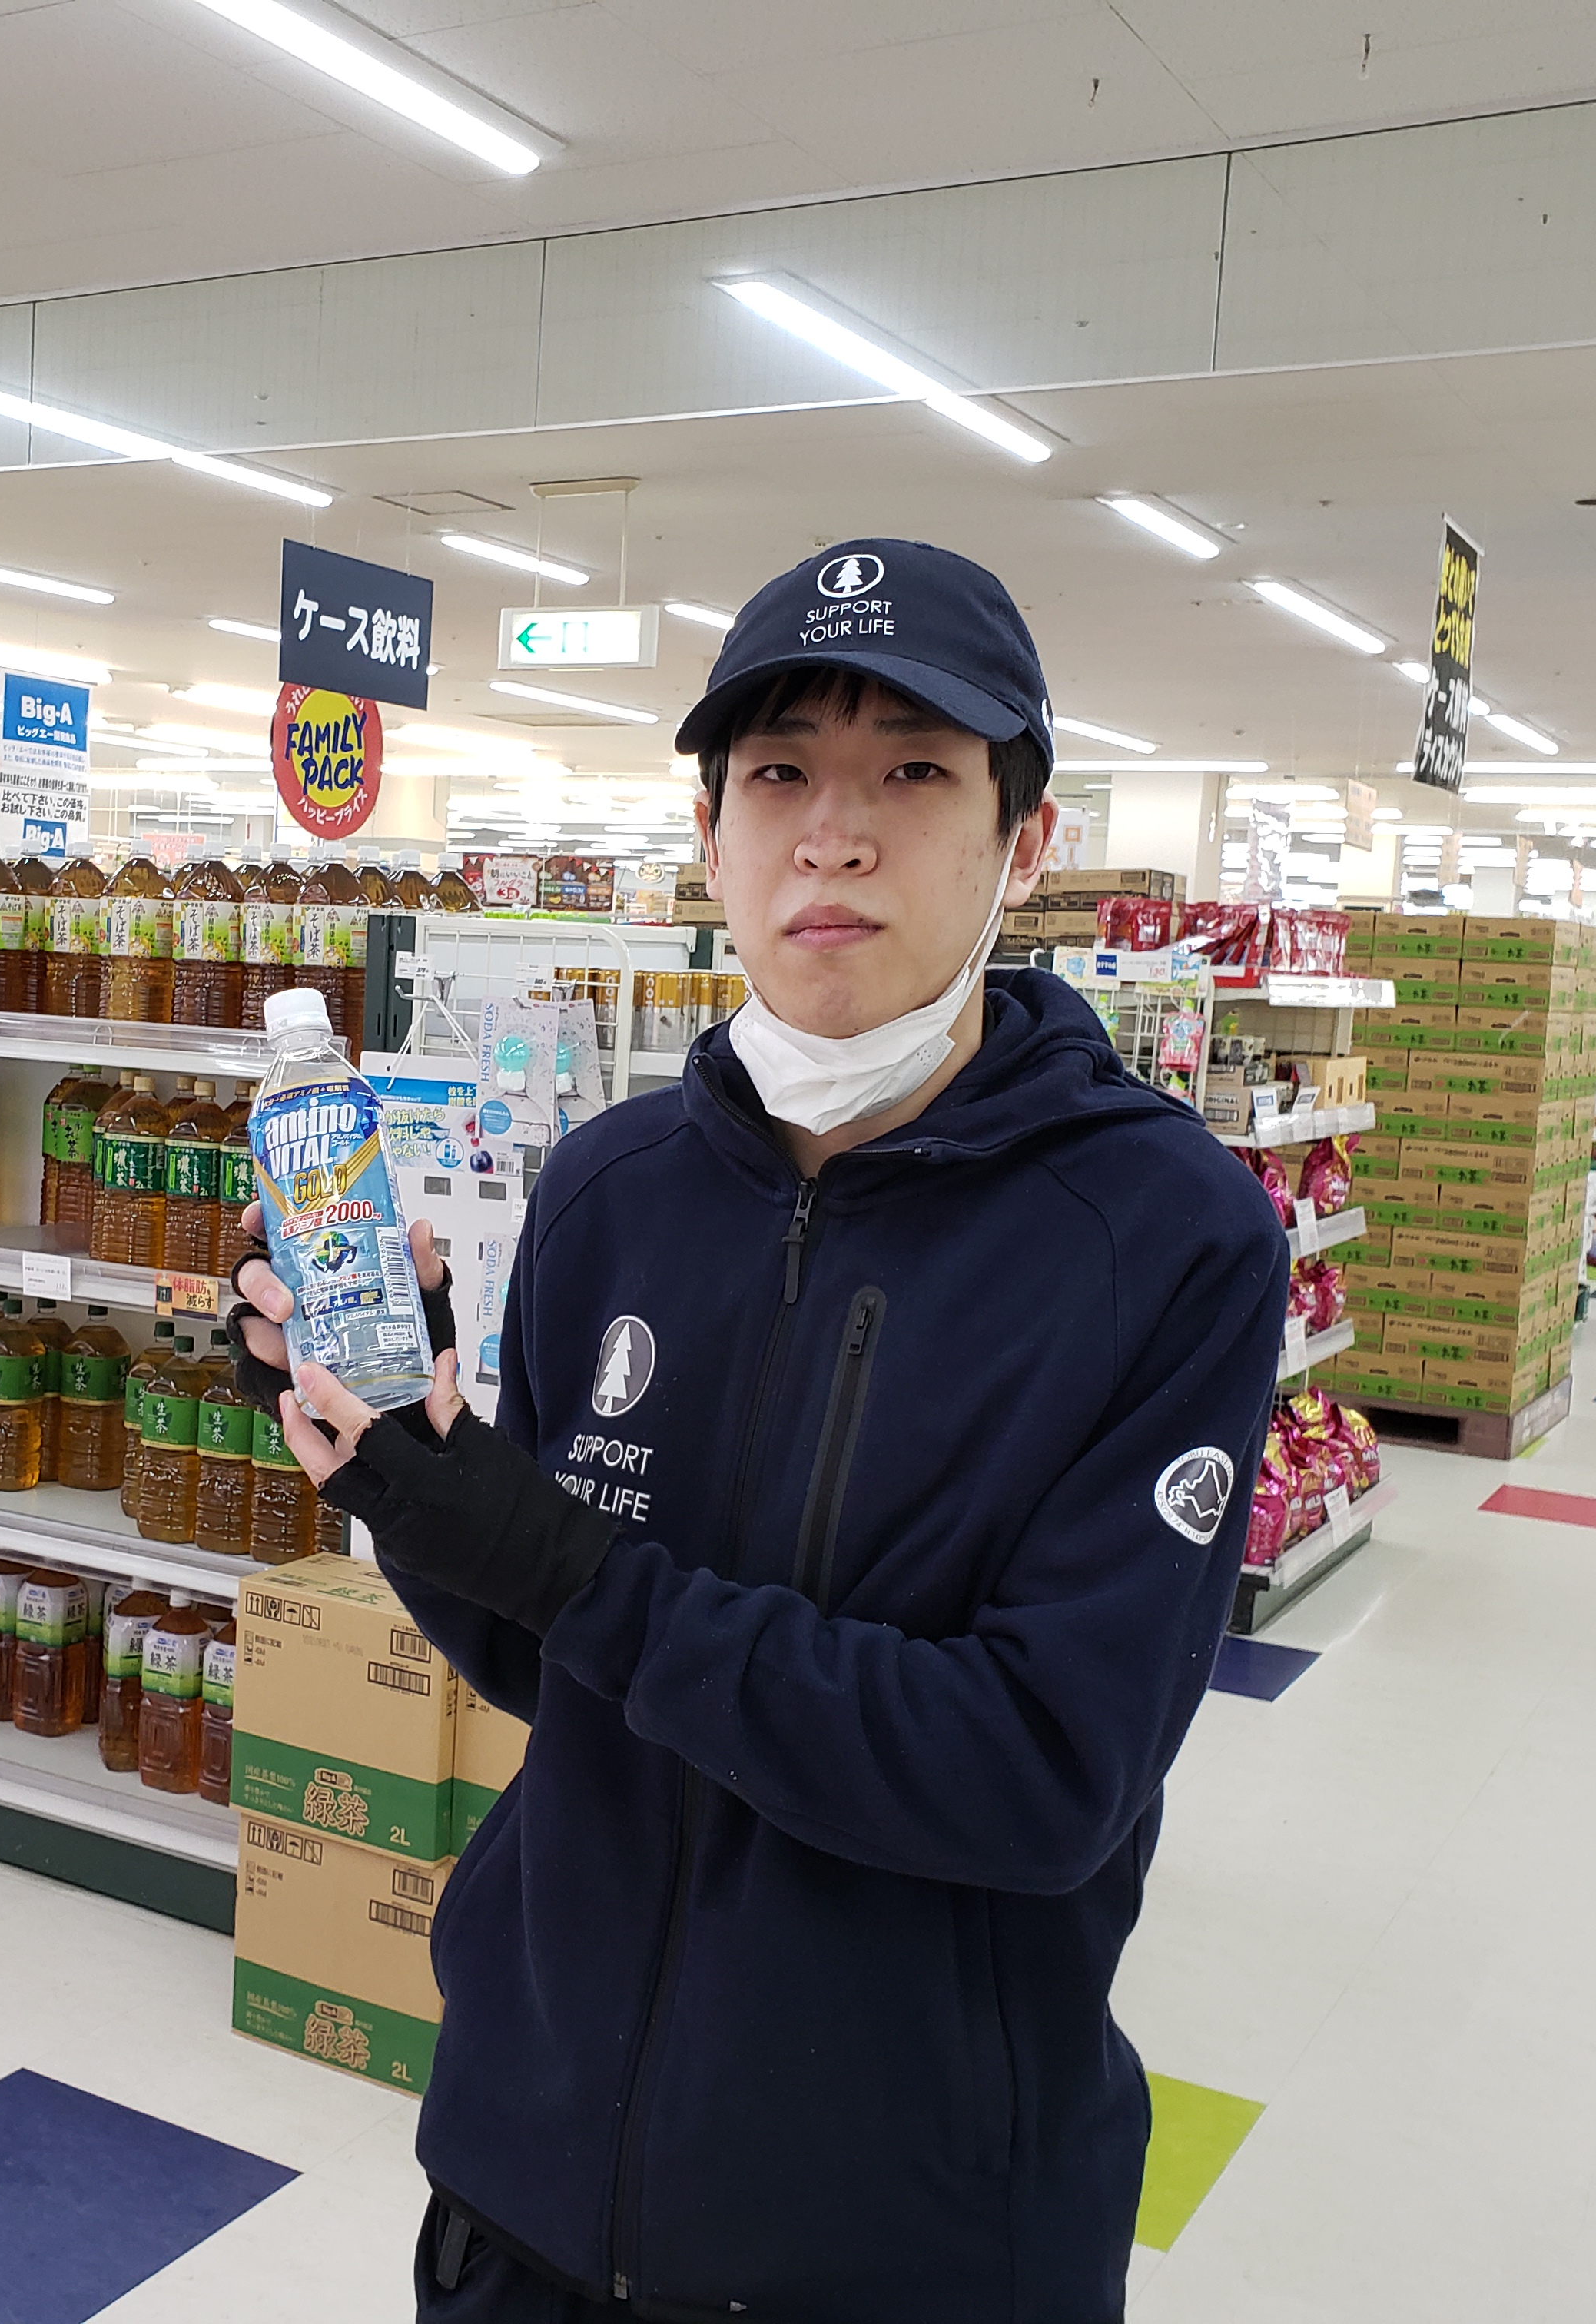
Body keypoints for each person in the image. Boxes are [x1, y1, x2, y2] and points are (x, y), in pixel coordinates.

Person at [229, 538, 1289, 2322]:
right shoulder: (610, 1188)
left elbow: (1044, 1774)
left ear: (1024, 842)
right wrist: (416, 1481)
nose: (836, 834)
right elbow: (549, 1656)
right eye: (782, 772)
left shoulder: (1165, 1237)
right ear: (711, 835)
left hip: (907, 2238)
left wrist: (577, 1571)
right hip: (528, 2179)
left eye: (915, 772)